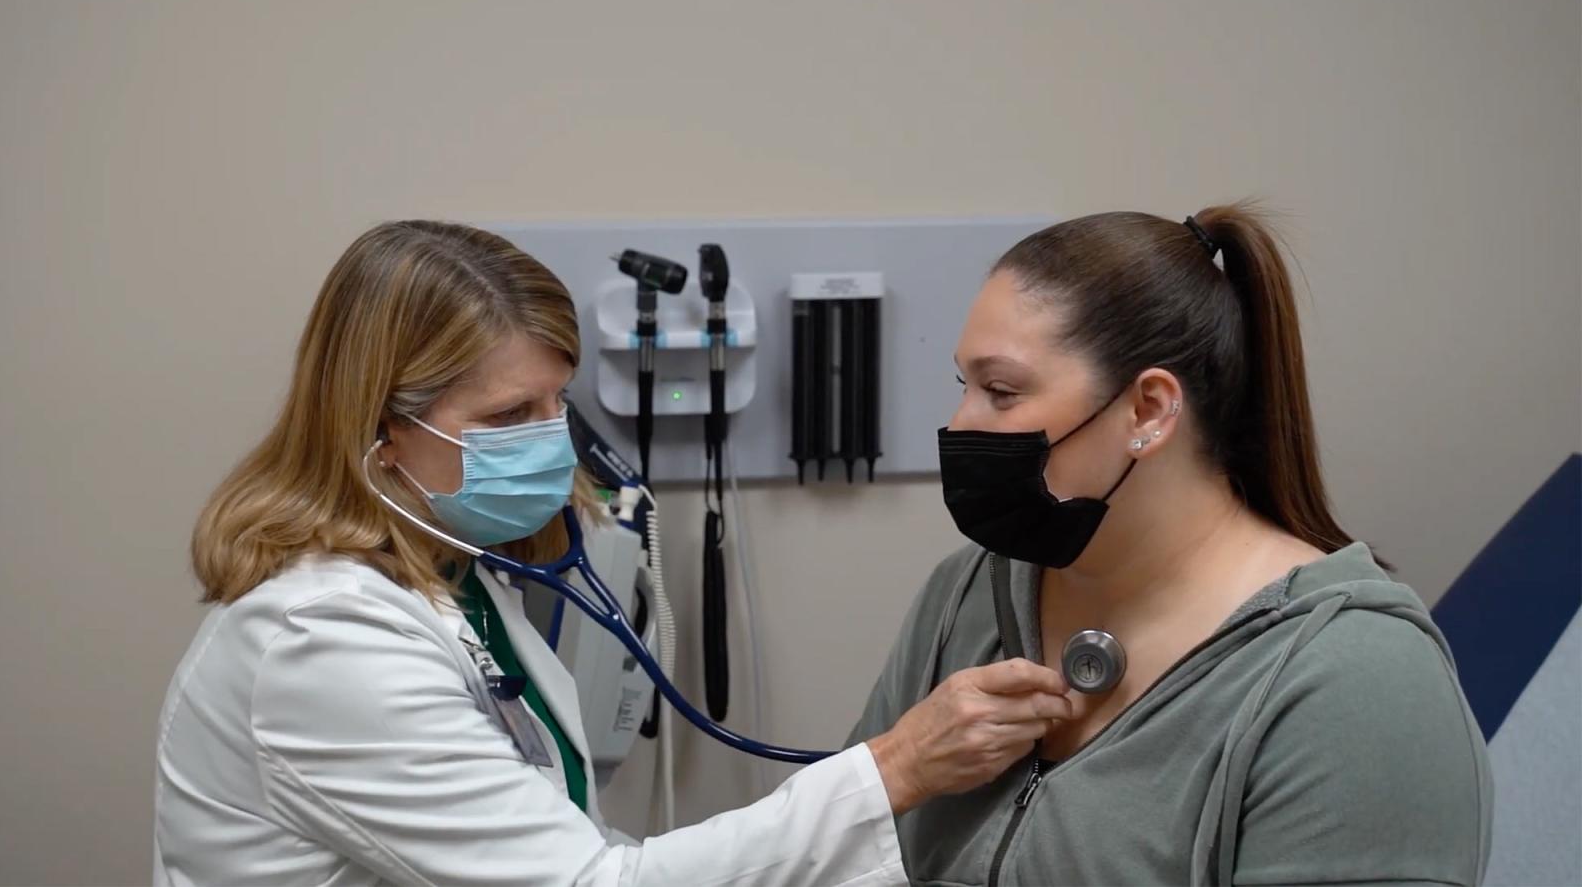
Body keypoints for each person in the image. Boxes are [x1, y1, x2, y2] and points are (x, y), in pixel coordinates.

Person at [153, 221, 1075, 886]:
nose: (554, 442)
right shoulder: (323, 641)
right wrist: (899, 766)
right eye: (509, 417)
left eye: (558, 401)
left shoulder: (456, 576)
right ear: (378, 434)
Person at [848, 205, 1493, 886]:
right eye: (965, 386)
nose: (960, 424)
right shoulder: (968, 597)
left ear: (1149, 412)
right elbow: (835, 856)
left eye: (1001, 392)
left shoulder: (1354, 683)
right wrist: (895, 766)